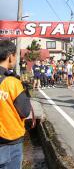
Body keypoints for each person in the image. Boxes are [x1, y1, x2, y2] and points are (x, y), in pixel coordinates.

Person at [0, 40, 31, 169]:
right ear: (10, 56)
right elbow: (25, 111)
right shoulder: (12, 82)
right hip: (9, 141)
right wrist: (26, 92)